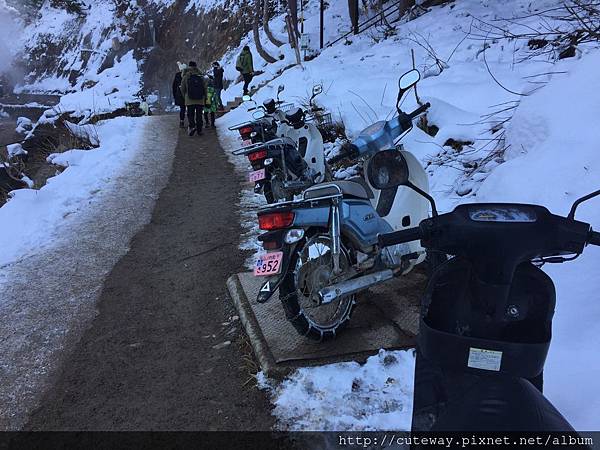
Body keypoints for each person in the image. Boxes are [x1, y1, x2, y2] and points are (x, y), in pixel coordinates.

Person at [180, 61, 206, 136]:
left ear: (189, 66)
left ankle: (192, 126)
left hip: (189, 99)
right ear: (196, 66)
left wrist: (185, 97)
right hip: (200, 99)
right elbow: (205, 88)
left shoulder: (186, 76)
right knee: (199, 115)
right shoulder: (200, 75)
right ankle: (199, 130)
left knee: (190, 114)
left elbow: (182, 88)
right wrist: (205, 97)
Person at [172, 62, 186, 127]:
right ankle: (191, 123)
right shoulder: (188, 75)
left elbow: (174, 86)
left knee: (182, 108)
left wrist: (175, 96)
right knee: (189, 108)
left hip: (180, 95)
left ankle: (182, 121)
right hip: (187, 94)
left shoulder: (177, 75)